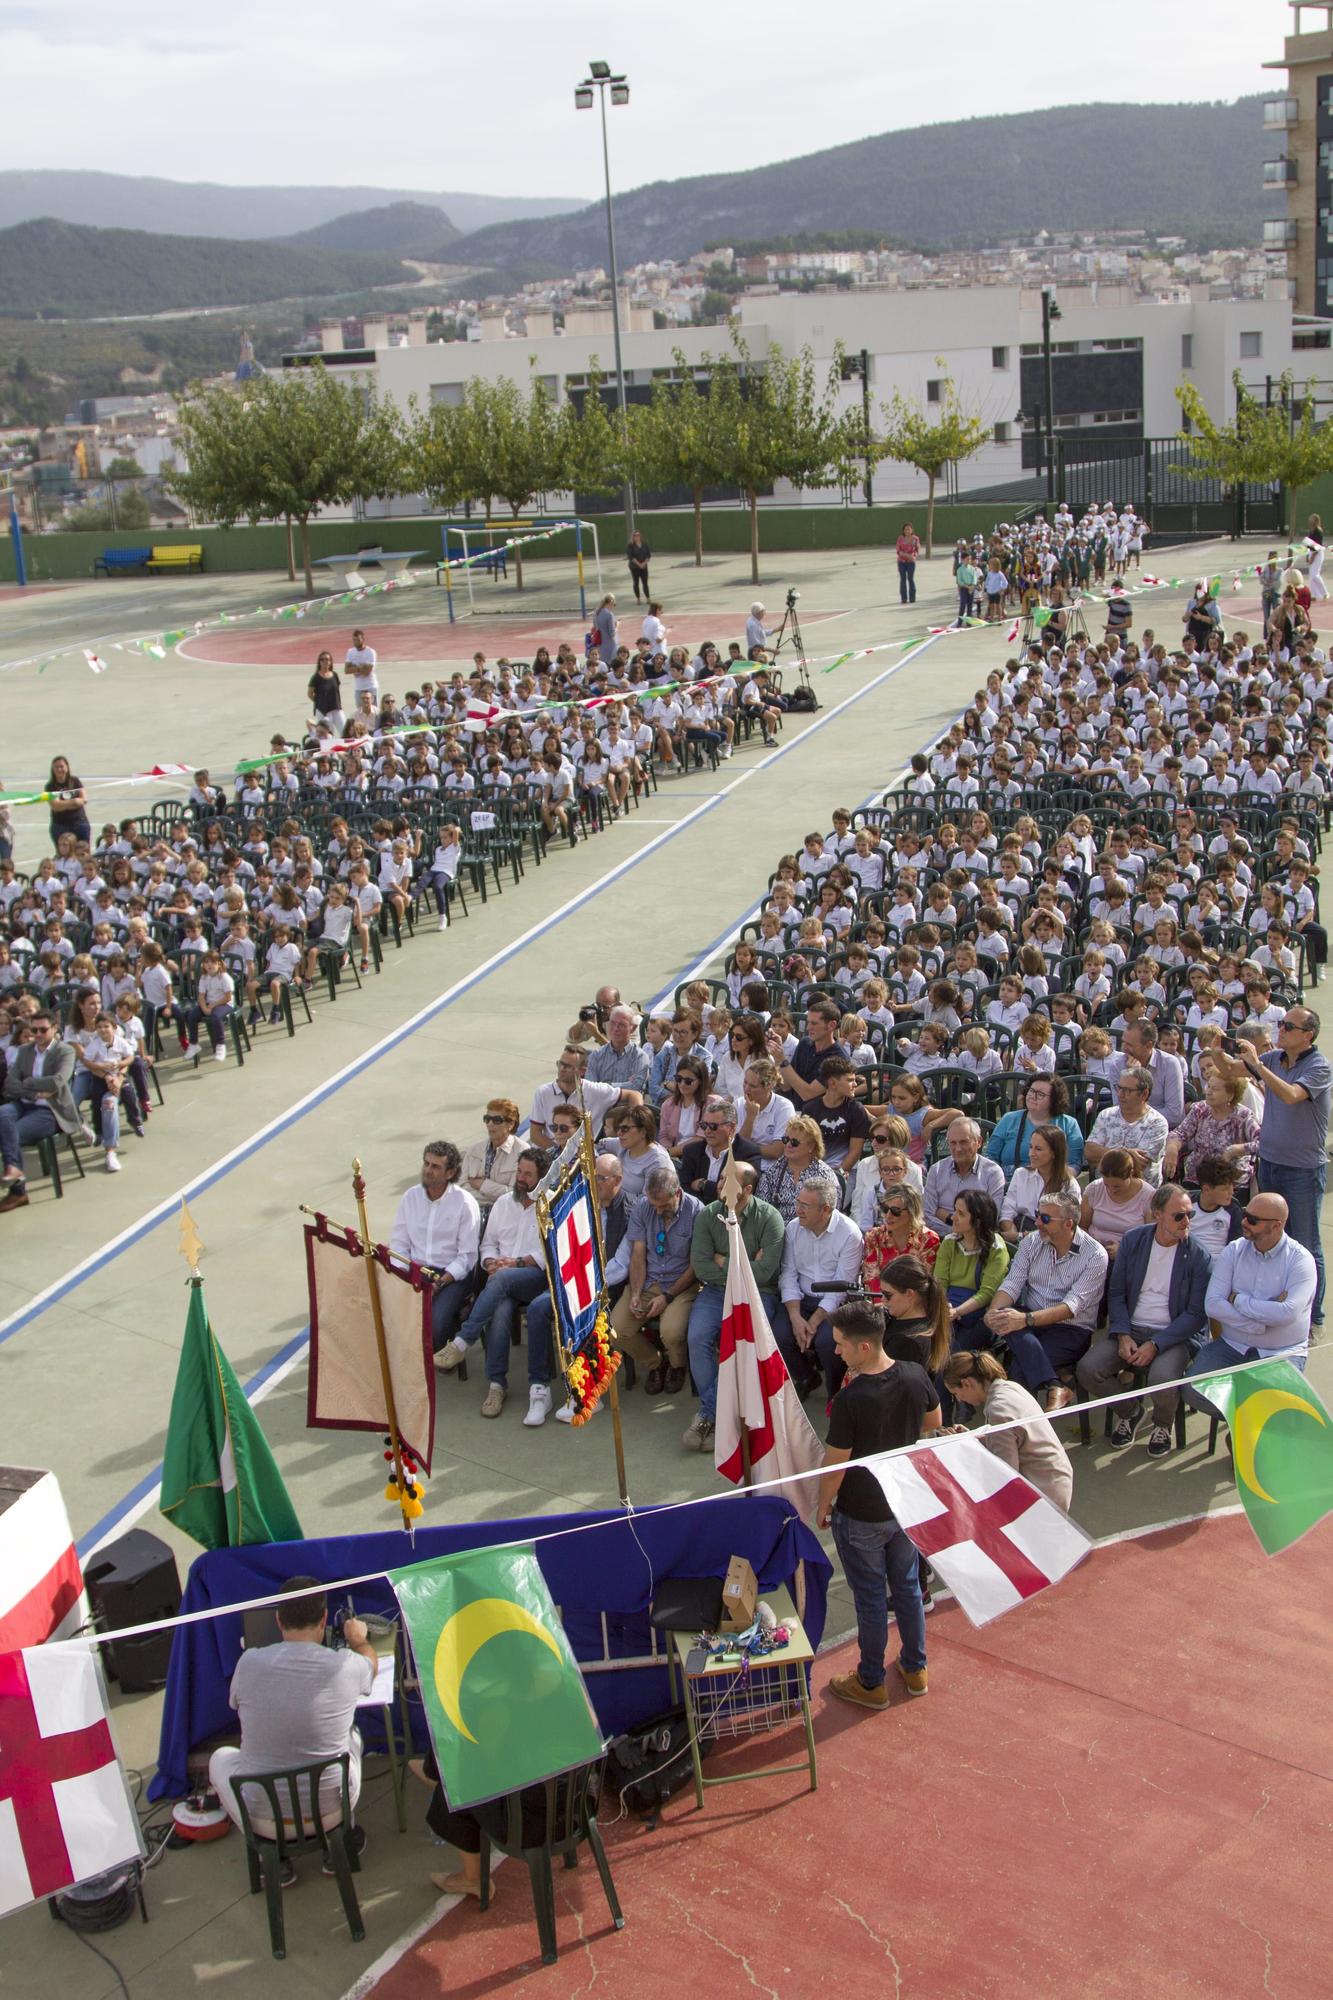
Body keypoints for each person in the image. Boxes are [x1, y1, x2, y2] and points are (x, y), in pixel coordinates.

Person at [818, 1296, 940, 1710]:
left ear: (863, 1347)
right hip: (904, 1505)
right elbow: (933, 1423)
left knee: (870, 1599)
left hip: (861, 1512)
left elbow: (835, 1464)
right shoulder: (914, 1374)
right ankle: (915, 1666)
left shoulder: (851, 1400)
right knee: (907, 1587)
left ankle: (871, 1681)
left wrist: (822, 1505)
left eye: (841, 1344)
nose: (836, 1351)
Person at [208, 1578, 378, 1872]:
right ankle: (338, 1847)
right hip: (331, 1812)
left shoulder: (248, 1662)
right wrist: (359, 1640)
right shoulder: (346, 1665)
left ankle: (272, 1858)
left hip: (261, 1816)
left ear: (278, 1619)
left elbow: (235, 1704)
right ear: (324, 1619)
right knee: (354, 1737)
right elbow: (371, 1666)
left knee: (220, 1759)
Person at [1076, 1184, 1211, 1460]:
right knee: (1088, 1369)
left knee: (1161, 1378)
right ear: (1157, 1215)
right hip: (1132, 1328)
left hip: (1173, 1335)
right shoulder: (1134, 1241)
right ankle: (1130, 1411)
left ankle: (1163, 1425)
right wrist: (1123, 1334)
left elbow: (1196, 1315)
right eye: (1179, 1216)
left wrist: (1157, 1344)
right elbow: (1116, 1293)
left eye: (1190, 1215)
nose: (1187, 1222)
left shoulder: (1199, 1256)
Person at [1218, 1006, 1330, 1329]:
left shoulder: (1319, 1067)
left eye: (1289, 1026)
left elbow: (1292, 1094)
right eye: (1281, 1025)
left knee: (1305, 1244)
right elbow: (1229, 1072)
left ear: (1307, 1035)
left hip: (1302, 1170)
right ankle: (1277, 1302)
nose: (1282, 1030)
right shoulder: (1276, 1058)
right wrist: (1218, 1048)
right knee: (1270, 1237)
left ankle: (1312, 1317)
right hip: (1270, 1163)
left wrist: (1257, 1065)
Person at [435, 1148, 548, 1418]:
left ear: (542, 1178)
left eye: (528, 1174)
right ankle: (497, 1384)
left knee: (503, 1279)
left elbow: (550, 1254)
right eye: (519, 1171)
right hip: (502, 1278)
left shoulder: (552, 1205)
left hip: (535, 1277)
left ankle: (462, 1341)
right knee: (499, 1311)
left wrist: (515, 1263)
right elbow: (488, 1244)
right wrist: (490, 1263)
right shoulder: (504, 1203)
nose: (520, 1178)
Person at [684, 1163, 785, 1452]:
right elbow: (702, 1266)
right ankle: (717, 1411)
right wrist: (743, 1264)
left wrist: (723, 1260)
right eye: (721, 1180)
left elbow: (765, 1273)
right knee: (697, 1338)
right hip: (716, 1291)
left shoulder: (769, 1218)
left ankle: (709, 1415)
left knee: (746, 1342)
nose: (720, 1186)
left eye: (730, 1182)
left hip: (757, 1293)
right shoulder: (707, 1215)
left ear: (747, 1189)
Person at [1185, 1193, 1317, 1413]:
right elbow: (1213, 1305)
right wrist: (1260, 1319)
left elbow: (1287, 1313)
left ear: (1276, 1226)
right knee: (1192, 1389)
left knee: (1280, 1408)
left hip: (1281, 1353)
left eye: (1253, 1220)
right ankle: (1244, 1427)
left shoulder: (1301, 1261)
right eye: (1245, 1214)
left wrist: (1237, 1299)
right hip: (1232, 1345)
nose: (1244, 1222)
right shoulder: (1234, 1250)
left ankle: (1248, 1429)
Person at [524, 1153, 629, 1426]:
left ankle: (583, 1390)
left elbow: (622, 1263)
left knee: (581, 1313)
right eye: (592, 1177)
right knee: (537, 1309)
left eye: (601, 1178)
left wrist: (590, 1284)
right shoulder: (580, 1201)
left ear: (618, 1180)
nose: (594, 1183)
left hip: (606, 1287)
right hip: (573, 1280)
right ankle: (540, 1389)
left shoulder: (630, 1211)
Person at [985, 1185, 1108, 1413]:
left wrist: (1024, 1320)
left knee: (1019, 1369)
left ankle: (1019, 1431)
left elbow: (1071, 1307)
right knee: (1005, 1318)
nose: (1037, 1223)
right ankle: (1055, 1385)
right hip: (1030, 1321)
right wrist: (995, 1310)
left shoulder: (1095, 1255)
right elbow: (1013, 1282)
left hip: (1070, 1330)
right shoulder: (1032, 1242)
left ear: (1068, 1224)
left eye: (1045, 1218)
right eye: (1037, 1216)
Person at [608, 1166, 702, 1394]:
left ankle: (678, 1366)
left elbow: (695, 1265)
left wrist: (667, 1297)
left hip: (681, 1286)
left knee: (671, 1332)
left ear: (677, 1193)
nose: (658, 1212)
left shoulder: (698, 1212)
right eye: (654, 1206)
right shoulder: (643, 1208)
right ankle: (657, 1364)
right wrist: (637, 1294)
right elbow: (638, 1255)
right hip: (648, 1281)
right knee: (616, 1329)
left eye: (664, 1206)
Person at [941, 1350, 1074, 1510]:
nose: (959, 1399)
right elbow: (1013, 1440)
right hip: (1054, 1478)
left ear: (967, 1383)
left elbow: (1005, 1471)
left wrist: (965, 1450)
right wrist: (972, 1438)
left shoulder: (998, 1410)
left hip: (1042, 1490)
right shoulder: (1011, 1387)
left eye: (955, 1393)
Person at [773, 1167, 865, 1397]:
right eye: (798, 1202)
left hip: (834, 1304)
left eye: (805, 1206)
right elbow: (788, 1274)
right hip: (802, 1299)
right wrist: (795, 1318)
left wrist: (812, 1323)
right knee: (779, 1333)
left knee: (828, 1343)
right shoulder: (793, 1229)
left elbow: (841, 1287)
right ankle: (806, 1376)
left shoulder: (850, 1235)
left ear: (825, 1210)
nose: (798, 1210)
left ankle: (836, 1393)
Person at [390, 1141, 481, 1353]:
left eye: (435, 1167)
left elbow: (467, 1257)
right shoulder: (410, 1197)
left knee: (436, 1324)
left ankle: (439, 1354)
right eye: (426, 1164)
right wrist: (401, 1277)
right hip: (415, 1270)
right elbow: (399, 1243)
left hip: (451, 1275)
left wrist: (439, 1284)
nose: (428, 1170)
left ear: (450, 1173)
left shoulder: (465, 1203)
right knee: (389, 1312)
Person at [0, 1012, 92, 1208]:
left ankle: (18, 1192)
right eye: (34, 1030)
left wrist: (28, 1082)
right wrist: (35, 1092)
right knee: (2, 1114)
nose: (38, 1034)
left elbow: (57, 1081)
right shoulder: (25, 1051)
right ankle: (14, 1170)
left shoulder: (64, 1051)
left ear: (54, 1028)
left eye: (43, 1029)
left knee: (10, 1133)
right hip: (24, 1104)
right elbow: (9, 1083)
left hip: (51, 1111)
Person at [933, 1190, 1010, 1344]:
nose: (953, 1217)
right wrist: (945, 1307)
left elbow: (987, 1293)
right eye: (955, 1210)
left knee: (954, 1352)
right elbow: (939, 1282)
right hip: (948, 1306)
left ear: (978, 1221)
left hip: (979, 1314)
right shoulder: (949, 1242)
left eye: (961, 1214)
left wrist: (957, 1312)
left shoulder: (996, 1248)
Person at [1162, 1073, 1258, 1188]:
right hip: (1197, 1178)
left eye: (1215, 1089)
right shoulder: (1200, 1110)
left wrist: (1236, 1149)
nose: (1208, 1092)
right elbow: (1180, 1134)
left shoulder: (1243, 1116)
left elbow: (1263, 1144)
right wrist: (1172, 1148)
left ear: (1230, 1095)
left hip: (1231, 1182)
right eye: (1208, 1086)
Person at [1084, 1066, 1169, 1187]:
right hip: (1104, 1187)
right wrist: (1126, 1152)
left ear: (1144, 1094)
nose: (1120, 1094)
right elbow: (1089, 1152)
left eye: (1127, 1090)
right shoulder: (1106, 1115)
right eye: (1119, 1088)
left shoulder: (1157, 1123)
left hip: (1141, 1192)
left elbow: (1139, 1164)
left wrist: (1104, 1154)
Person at [983, 1075, 1084, 1176]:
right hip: (1008, 1182)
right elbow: (990, 1156)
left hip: (1050, 1184)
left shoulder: (1069, 1124)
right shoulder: (1008, 1119)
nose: (1032, 1096)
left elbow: (1074, 1164)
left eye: (1040, 1094)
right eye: (1031, 1091)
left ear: (1054, 1100)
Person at [999, 1122, 1080, 1245]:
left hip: (1050, 1243)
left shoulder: (1069, 1186)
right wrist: (1011, 1231)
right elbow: (1007, 1210)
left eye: (1038, 1149)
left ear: (1054, 1153)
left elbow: (1065, 1226)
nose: (1031, 1153)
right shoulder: (1021, 1174)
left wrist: (1022, 1236)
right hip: (1016, 1235)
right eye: (1031, 1147)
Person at [921, 1118, 1004, 1233]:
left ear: (979, 1142)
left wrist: (947, 1217)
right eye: (953, 1143)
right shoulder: (937, 1170)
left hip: (978, 1243)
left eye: (964, 1142)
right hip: (941, 1240)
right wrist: (955, 1234)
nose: (958, 1149)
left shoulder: (992, 1173)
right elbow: (928, 1216)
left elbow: (990, 1219)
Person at [676, 1094, 761, 1204]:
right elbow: (684, 1190)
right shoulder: (692, 1151)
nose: (707, 1131)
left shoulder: (747, 1153)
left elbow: (740, 1194)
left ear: (731, 1128)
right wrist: (717, 1189)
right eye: (704, 1125)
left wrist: (704, 1185)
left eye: (713, 1126)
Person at [1105, 1019, 1186, 1130]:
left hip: (1163, 1130)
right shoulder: (1117, 1065)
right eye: (1123, 1042)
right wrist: (1130, 1077)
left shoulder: (1170, 1064)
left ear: (1149, 1045)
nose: (1124, 1048)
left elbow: (1174, 1115)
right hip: (1127, 1129)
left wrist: (1138, 1079)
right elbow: (1120, 1109)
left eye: (1129, 1045)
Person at [862, 1181, 939, 1296]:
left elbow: (921, 1283)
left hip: (913, 1303)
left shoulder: (928, 1240)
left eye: (895, 1211)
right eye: (885, 1209)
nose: (888, 1215)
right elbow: (871, 1278)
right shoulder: (873, 1237)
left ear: (912, 1212)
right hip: (878, 1302)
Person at [1080, 1148, 1154, 1261]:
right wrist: (1093, 1246)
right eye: (1106, 1184)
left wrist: (1124, 1249)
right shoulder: (1094, 1189)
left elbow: (1150, 1238)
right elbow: (1082, 1227)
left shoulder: (1148, 1196)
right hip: (1093, 1253)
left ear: (1130, 1174)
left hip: (1130, 1257)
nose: (1111, 1190)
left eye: (1117, 1186)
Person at [459, 1099, 524, 1211]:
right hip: (472, 1208)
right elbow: (461, 1185)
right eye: (487, 1119)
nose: (489, 1124)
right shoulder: (474, 1150)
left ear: (511, 1124)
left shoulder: (523, 1153)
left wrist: (482, 1185)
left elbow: (516, 1194)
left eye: (496, 1120)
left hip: (504, 1212)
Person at [585, 1006, 651, 1092]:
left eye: (622, 1025)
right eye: (612, 1023)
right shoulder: (596, 1056)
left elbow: (636, 1086)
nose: (615, 1029)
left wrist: (603, 1086)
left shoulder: (640, 1057)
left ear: (633, 1028)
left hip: (628, 1105)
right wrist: (625, 1084)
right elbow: (590, 1087)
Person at [46, 755, 90, 851]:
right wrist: (74, 802)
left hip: (79, 823)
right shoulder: (50, 786)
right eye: (56, 767)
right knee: (63, 854)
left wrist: (63, 804)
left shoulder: (75, 781)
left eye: (61, 766)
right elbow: (55, 806)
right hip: (60, 825)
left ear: (67, 767)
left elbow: (83, 800)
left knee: (83, 853)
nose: (59, 769)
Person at [343, 629, 378, 709]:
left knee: (373, 710)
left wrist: (354, 668)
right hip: (358, 687)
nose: (356, 642)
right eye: (354, 640)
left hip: (370, 686)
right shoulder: (350, 652)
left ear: (363, 639)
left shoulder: (370, 652)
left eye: (358, 640)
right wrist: (360, 667)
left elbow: (367, 671)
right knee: (359, 711)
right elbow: (346, 670)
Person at [895, 522, 922, 606]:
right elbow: (898, 550)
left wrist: (914, 556)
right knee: (903, 579)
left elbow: (917, 550)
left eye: (909, 529)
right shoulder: (900, 538)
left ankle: (912, 598)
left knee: (910, 578)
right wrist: (904, 555)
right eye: (905, 529)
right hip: (901, 562)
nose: (907, 531)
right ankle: (904, 598)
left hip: (911, 562)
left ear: (911, 530)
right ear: (903, 530)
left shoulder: (915, 539)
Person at [626, 530, 652, 601]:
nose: (637, 537)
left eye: (638, 535)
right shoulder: (630, 545)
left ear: (640, 536)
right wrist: (639, 564)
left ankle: (648, 598)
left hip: (644, 567)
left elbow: (648, 555)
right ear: (633, 537)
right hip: (634, 568)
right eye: (635, 535)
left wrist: (644, 563)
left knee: (645, 583)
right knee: (636, 583)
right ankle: (638, 598)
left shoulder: (644, 544)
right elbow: (631, 557)